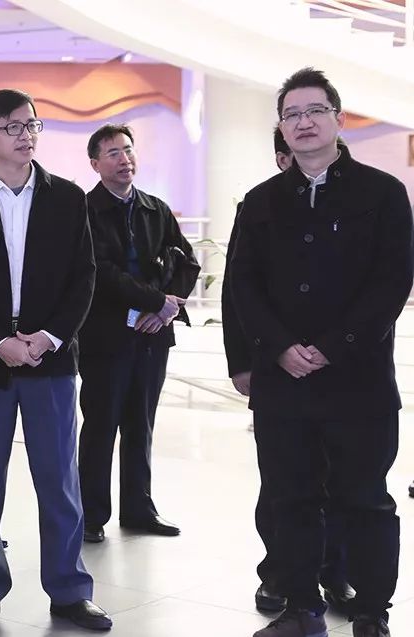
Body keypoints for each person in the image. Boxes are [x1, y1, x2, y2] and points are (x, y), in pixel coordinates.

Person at [231, 67, 412, 637]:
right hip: (282, 382)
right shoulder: (259, 201)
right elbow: (243, 285)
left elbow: (392, 282)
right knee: (290, 499)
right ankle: (302, 608)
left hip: (359, 380)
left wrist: (335, 347)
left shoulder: (383, 193)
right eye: (291, 114)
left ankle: (371, 612)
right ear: (282, 128)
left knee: (365, 500)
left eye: (314, 111)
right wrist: (279, 347)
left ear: (338, 118)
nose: (303, 122)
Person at [0, 89, 111, 632]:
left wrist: (49, 337)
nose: (25, 135)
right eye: (13, 126)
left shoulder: (68, 198)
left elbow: (84, 277)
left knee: (59, 480)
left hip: (49, 359)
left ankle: (69, 589)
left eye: (32, 125)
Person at [222, 128, 355, 615]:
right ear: (282, 157)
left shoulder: (361, 202)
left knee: (341, 479)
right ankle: (278, 572)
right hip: (276, 364)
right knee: (281, 482)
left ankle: (335, 573)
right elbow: (237, 289)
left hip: (341, 366)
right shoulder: (259, 206)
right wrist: (242, 361)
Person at [77, 124, 199, 542]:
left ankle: (139, 508)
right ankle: (91, 514)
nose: (124, 159)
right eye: (113, 153)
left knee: (141, 423)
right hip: (104, 336)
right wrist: (155, 300)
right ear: (95, 164)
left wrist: (165, 309)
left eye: (128, 150)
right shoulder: (85, 211)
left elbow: (187, 262)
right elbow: (100, 271)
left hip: (152, 336)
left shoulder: (155, 209)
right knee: (101, 425)